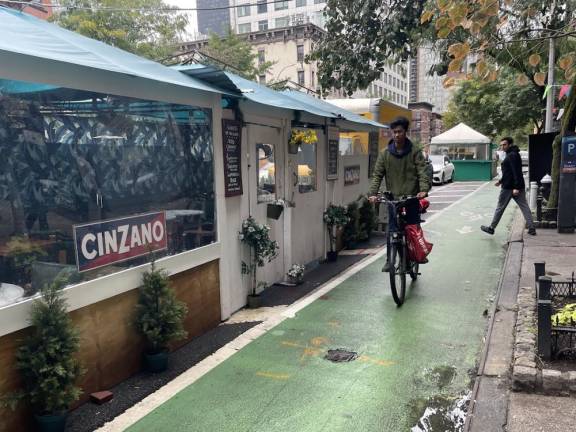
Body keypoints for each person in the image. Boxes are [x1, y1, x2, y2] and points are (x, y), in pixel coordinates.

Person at [368, 116, 431, 271]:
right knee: (392, 230)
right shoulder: (385, 154)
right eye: (394, 132)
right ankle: (390, 260)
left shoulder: (415, 152)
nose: (396, 135)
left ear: (405, 132)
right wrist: (373, 193)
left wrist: (423, 190)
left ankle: (417, 253)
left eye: (400, 132)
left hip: (411, 197)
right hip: (393, 199)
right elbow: (377, 175)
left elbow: (422, 172)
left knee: (413, 228)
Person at [481, 137, 536, 236]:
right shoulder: (513, 154)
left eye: (504, 145)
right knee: (524, 206)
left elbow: (516, 172)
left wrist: (516, 187)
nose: (502, 147)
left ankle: (491, 228)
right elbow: (509, 172)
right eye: (501, 145)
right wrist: (501, 181)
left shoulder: (511, 155)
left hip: (509, 188)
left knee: (500, 207)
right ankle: (532, 228)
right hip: (515, 185)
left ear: (509, 145)